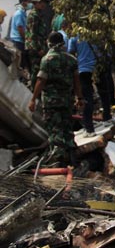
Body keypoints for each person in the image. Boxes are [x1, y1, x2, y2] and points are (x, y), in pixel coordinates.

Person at [29, 32, 83, 166]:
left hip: (51, 101)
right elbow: (77, 81)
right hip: (67, 101)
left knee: (55, 129)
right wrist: (80, 98)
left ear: (49, 43)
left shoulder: (47, 59)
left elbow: (41, 81)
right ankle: (72, 155)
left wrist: (33, 99)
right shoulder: (71, 59)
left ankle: (58, 160)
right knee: (67, 128)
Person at [68, 36, 114, 136]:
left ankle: (89, 129)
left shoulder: (74, 37)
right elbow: (107, 49)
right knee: (104, 94)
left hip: (83, 69)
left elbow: (70, 52)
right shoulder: (97, 33)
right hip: (98, 67)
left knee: (86, 98)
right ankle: (107, 117)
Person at [26, 0, 50, 89]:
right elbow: (32, 34)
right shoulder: (34, 15)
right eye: (40, 2)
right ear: (35, 3)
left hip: (40, 47)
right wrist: (38, 49)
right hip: (35, 49)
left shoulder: (39, 14)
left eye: (44, 2)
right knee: (36, 71)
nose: (43, 4)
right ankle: (34, 92)